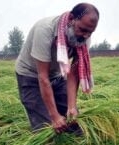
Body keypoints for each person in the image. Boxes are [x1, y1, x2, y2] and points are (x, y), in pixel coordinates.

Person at [15, 3, 99, 134]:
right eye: (82, 30)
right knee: (46, 128)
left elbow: (73, 73)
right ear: (72, 19)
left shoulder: (83, 38)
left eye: (90, 32)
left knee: (75, 122)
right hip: (30, 75)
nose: (86, 36)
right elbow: (42, 77)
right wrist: (54, 116)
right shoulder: (45, 30)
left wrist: (71, 107)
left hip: (56, 75)